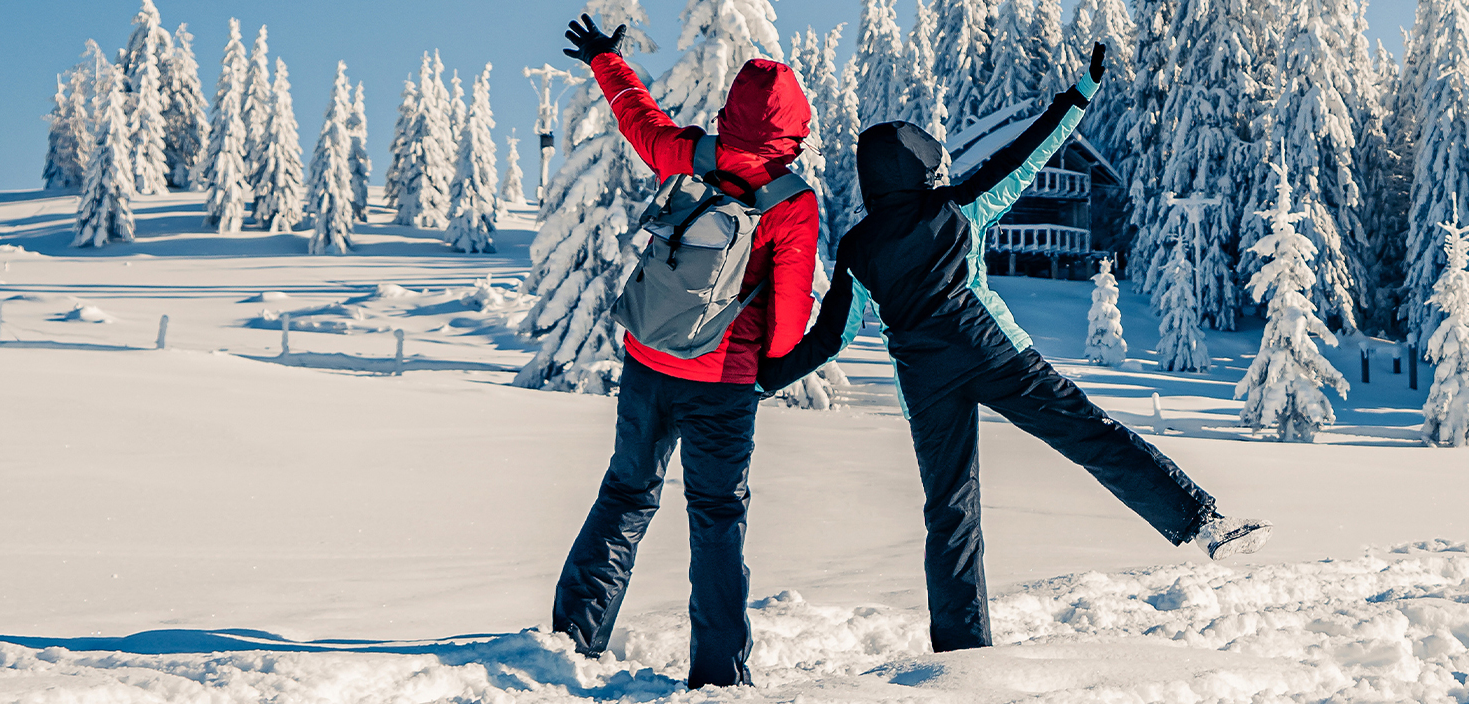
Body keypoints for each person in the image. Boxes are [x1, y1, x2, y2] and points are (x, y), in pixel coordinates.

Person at [838, 43, 1268, 653]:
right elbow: (1023, 157)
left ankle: (962, 653)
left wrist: (761, 374)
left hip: (925, 380)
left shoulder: (858, 247)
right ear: (921, 168)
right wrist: (1078, 97)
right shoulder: (957, 207)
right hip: (996, 355)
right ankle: (1202, 523)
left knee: (950, 511)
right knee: (1090, 433)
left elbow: (834, 335)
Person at [543, 15, 823, 688]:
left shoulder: (693, 155)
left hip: (647, 360)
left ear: (731, 110)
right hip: (722, 383)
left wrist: (606, 61)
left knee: (625, 493)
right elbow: (785, 330)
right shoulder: (790, 203)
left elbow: (638, 118)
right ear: (794, 128)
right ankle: (718, 675)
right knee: (717, 519)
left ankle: (570, 642)